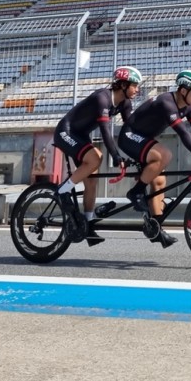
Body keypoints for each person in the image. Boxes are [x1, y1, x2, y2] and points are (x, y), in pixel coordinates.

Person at [117, 69, 191, 249]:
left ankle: (155, 227)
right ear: (183, 90)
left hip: (144, 139)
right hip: (129, 136)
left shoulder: (189, 105)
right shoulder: (166, 103)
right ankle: (136, 192)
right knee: (164, 154)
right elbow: (183, 133)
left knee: (159, 182)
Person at [53, 65, 142, 246]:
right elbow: (105, 131)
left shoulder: (125, 103)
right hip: (65, 132)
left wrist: (141, 156)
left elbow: (129, 132)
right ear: (123, 85)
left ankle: (87, 224)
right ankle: (62, 191)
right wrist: (116, 156)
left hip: (80, 136)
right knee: (96, 157)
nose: (137, 89)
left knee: (92, 182)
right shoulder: (102, 98)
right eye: (134, 85)